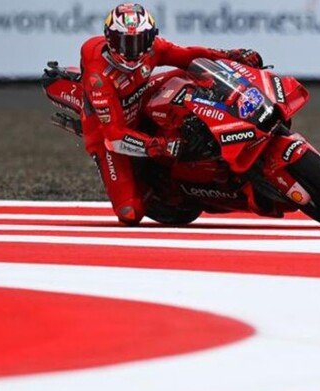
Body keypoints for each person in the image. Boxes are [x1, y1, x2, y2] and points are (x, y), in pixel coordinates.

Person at [81, 3, 263, 225]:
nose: (133, 51)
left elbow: (188, 56)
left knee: (194, 75)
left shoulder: (154, 48)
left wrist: (231, 56)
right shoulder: (99, 77)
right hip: (106, 132)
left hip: (140, 98)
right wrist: (163, 146)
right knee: (129, 213)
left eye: (140, 41)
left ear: (151, 37)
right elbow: (114, 136)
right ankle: (156, 184)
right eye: (125, 43)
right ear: (110, 40)